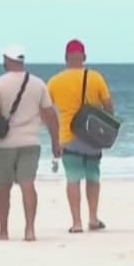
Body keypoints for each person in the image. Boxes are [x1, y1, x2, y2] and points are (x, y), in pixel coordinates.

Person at [0, 45, 62, 242]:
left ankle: (3, 231)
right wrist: (56, 142)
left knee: (4, 186)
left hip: (5, 145)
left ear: (7, 60)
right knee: (28, 184)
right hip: (31, 143)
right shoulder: (38, 84)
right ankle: (30, 230)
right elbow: (50, 116)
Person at [48, 39, 114, 233]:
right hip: (92, 136)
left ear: (65, 58)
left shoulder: (54, 81)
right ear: (84, 57)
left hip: (68, 136)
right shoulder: (95, 78)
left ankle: (76, 223)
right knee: (93, 176)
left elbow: (47, 111)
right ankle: (93, 218)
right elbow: (109, 107)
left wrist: (53, 137)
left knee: (73, 178)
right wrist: (107, 128)